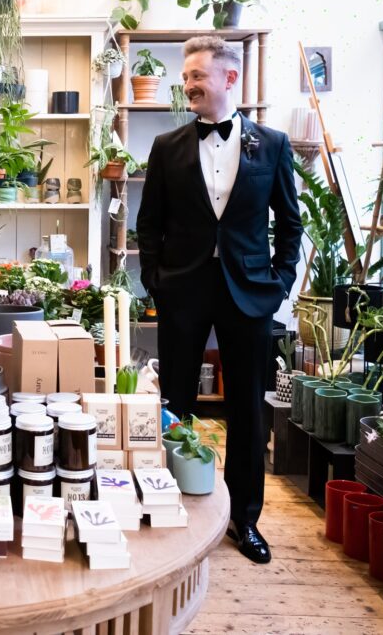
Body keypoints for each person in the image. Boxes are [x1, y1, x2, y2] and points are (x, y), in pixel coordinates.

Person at [135, 35, 302, 564]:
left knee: (248, 410)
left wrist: (278, 283)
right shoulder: (167, 147)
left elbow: (291, 225)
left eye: (197, 76)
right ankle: (173, 506)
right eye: (185, 77)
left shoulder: (272, 145)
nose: (188, 85)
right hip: (182, 289)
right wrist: (155, 280)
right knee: (176, 404)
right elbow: (149, 224)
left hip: (250, 293)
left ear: (229, 79)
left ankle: (244, 519)